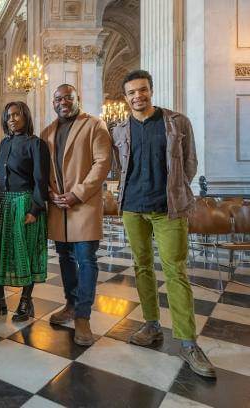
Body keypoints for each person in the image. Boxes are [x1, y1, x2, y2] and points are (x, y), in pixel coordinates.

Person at [113, 70, 216, 378]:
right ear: (126, 97)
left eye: (142, 90)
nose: (137, 96)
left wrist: (176, 188)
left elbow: (190, 162)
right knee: (142, 267)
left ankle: (187, 341)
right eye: (131, 92)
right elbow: (120, 165)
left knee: (175, 270)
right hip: (133, 207)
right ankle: (152, 324)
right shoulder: (119, 128)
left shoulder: (176, 122)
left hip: (168, 208)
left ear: (151, 91)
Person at [40, 84, 112, 346]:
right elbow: (42, 168)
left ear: (77, 98)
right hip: (58, 206)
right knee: (64, 258)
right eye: (58, 99)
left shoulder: (94, 125)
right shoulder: (47, 132)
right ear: (53, 103)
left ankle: (83, 316)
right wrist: (49, 192)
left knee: (86, 259)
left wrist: (78, 193)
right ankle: (70, 304)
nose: (63, 102)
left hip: (83, 204)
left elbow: (102, 163)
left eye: (68, 98)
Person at [0, 101, 50, 322]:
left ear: (25, 117)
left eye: (16, 115)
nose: (12, 119)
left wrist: (35, 209)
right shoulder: (4, 144)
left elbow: (41, 180)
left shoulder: (35, 144)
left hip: (25, 203)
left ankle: (25, 303)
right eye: (8, 115)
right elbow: (0, 178)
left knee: (25, 254)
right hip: (3, 203)